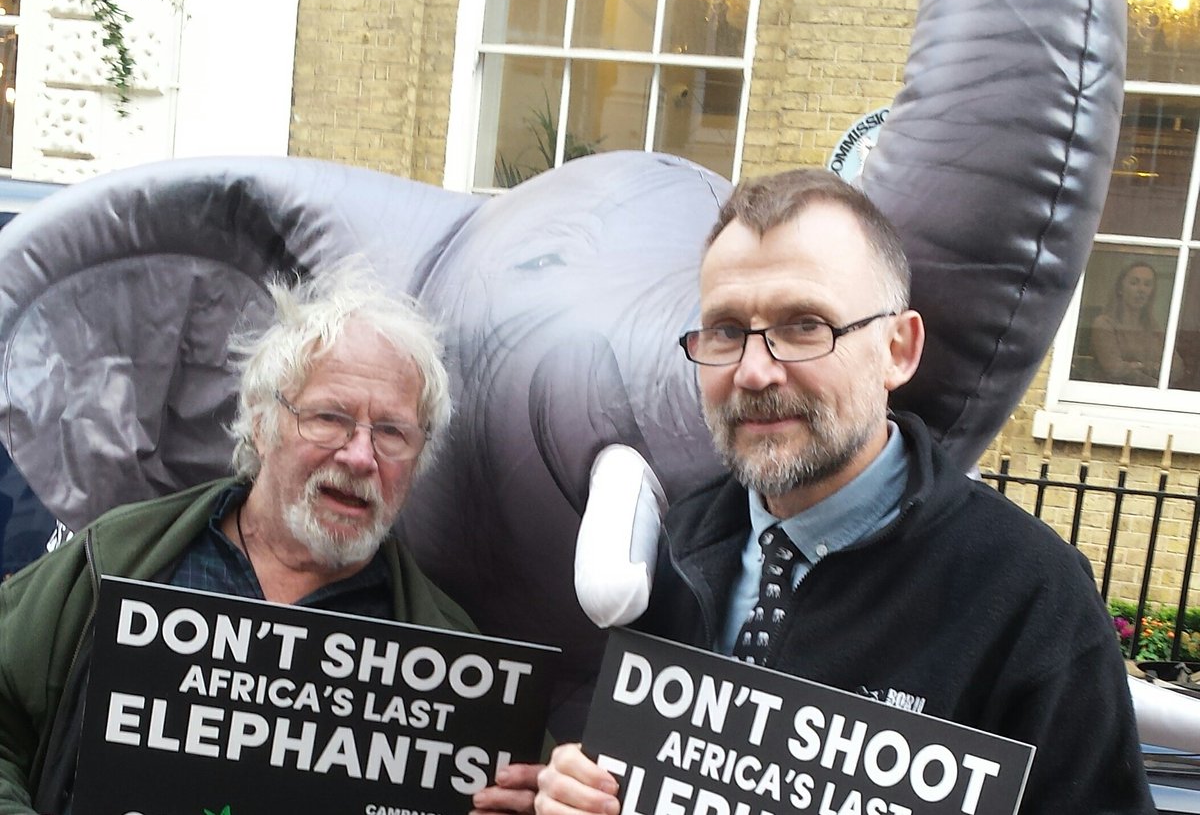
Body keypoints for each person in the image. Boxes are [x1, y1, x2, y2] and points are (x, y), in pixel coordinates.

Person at [536, 170, 1153, 814]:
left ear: (898, 350)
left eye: (804, 325)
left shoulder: (1028, 594)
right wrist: (580, 790)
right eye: (724, 330)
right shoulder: (677, 544)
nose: (753, 370)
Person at [0, 266, 541, 815]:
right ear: (261, 424)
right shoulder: (116, 561)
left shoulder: (456, 667)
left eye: (392, 432)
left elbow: (535, 789)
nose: (360, 456)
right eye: (330, 418)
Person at [1091, 260, 1171, 386]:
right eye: (1134, 283)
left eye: (1147, 284)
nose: (1141, 290)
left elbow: (1176, 368)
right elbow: (1114, 368)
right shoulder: (1104, 324)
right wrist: (1150, 368)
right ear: (1120, 289)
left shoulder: (1152, 327)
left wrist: (1138, 366)